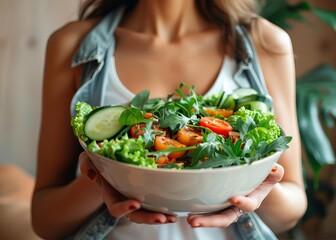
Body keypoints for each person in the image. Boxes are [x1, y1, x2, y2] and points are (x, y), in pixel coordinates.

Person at [31, 0, 307, 239]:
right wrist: (106, 177)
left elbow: (292, 207)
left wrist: (252, 188)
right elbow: (45, 221)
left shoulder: (264, 41)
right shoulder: (72, 45)